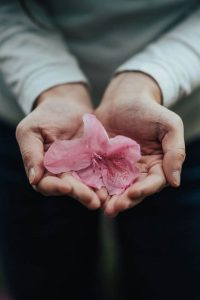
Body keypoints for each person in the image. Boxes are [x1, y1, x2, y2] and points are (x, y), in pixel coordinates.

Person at [0, 0, 199, 299]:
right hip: (36, 124)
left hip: (177, 129)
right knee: (46, 280)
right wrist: (50, 84)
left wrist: (151, 78)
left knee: (174, 278)